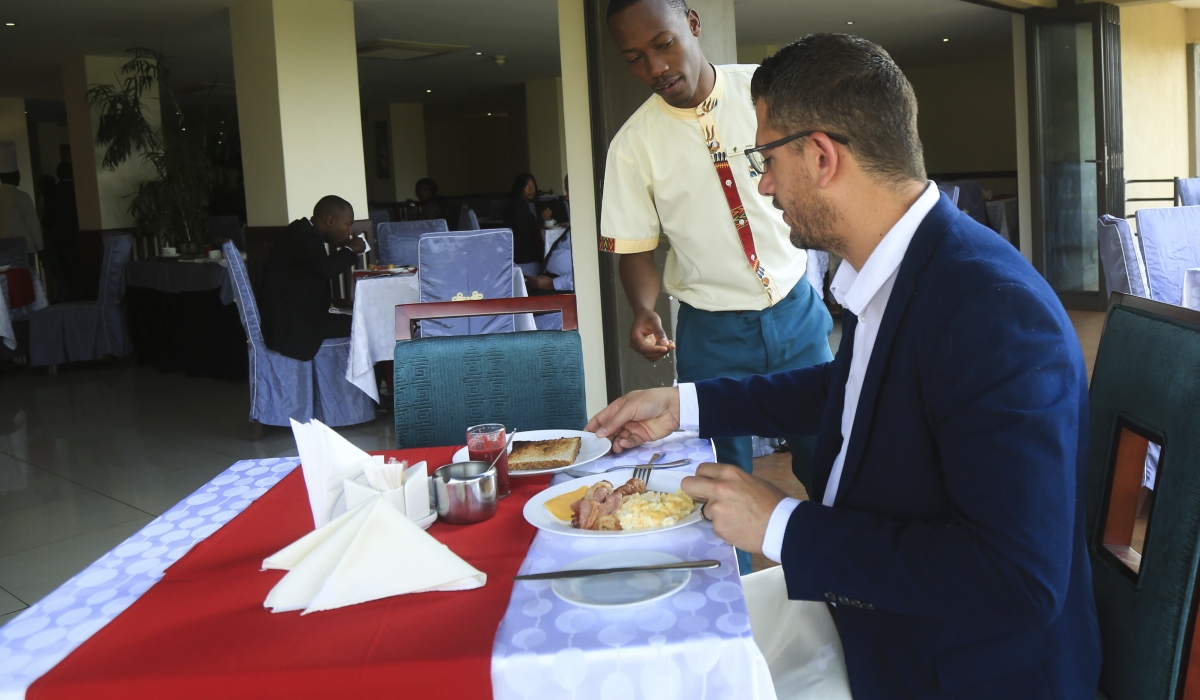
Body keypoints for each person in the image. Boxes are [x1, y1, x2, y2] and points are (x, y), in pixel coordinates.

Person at [586, 34, 1101, 697]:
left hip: (952, 665)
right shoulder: (904, 265)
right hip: (880, 613)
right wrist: (687, 405)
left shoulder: (994, 316)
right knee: (667, 642)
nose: (763, 185)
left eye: (765, 158)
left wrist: (780, 524)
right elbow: (855, 388)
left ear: (822, 156)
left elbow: (1015, 579)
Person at [602, 0, 833, 572]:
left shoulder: (764, 90)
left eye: (663, 43)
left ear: (693, 24)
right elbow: (634, 248)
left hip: (796, 310)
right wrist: (644, 309)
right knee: (720, 478)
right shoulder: (632, 147)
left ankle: (849, 577)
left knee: (828, 454)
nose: (655, 66)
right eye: (635, 59)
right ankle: (737, 601)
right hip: (710, 329)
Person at [260, 195, 365, 362]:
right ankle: (365, 385)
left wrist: (332, 301)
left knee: (358, 319)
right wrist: (350, 249)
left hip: (292, 318)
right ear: (330, 220)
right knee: (366, 324)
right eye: (348, 224)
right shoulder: (303, 236)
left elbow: (303, 281)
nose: (350, 231)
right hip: (293, 326)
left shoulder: (301, 231)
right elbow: (326, 269)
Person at [503, 172, 551, 267]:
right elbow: (525, 230)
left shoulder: (520, 203)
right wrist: (542, 219)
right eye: (527, 186)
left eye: (533, 186)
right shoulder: (519, 205)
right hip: (523, 255)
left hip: (514, 252)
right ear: (520, 187)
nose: (531, 190)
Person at [0, 170, 43, 261]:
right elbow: (32, 224)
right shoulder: (22, 196)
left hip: (2, 249)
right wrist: (40, 248)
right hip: (23, 248)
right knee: (24, 274)